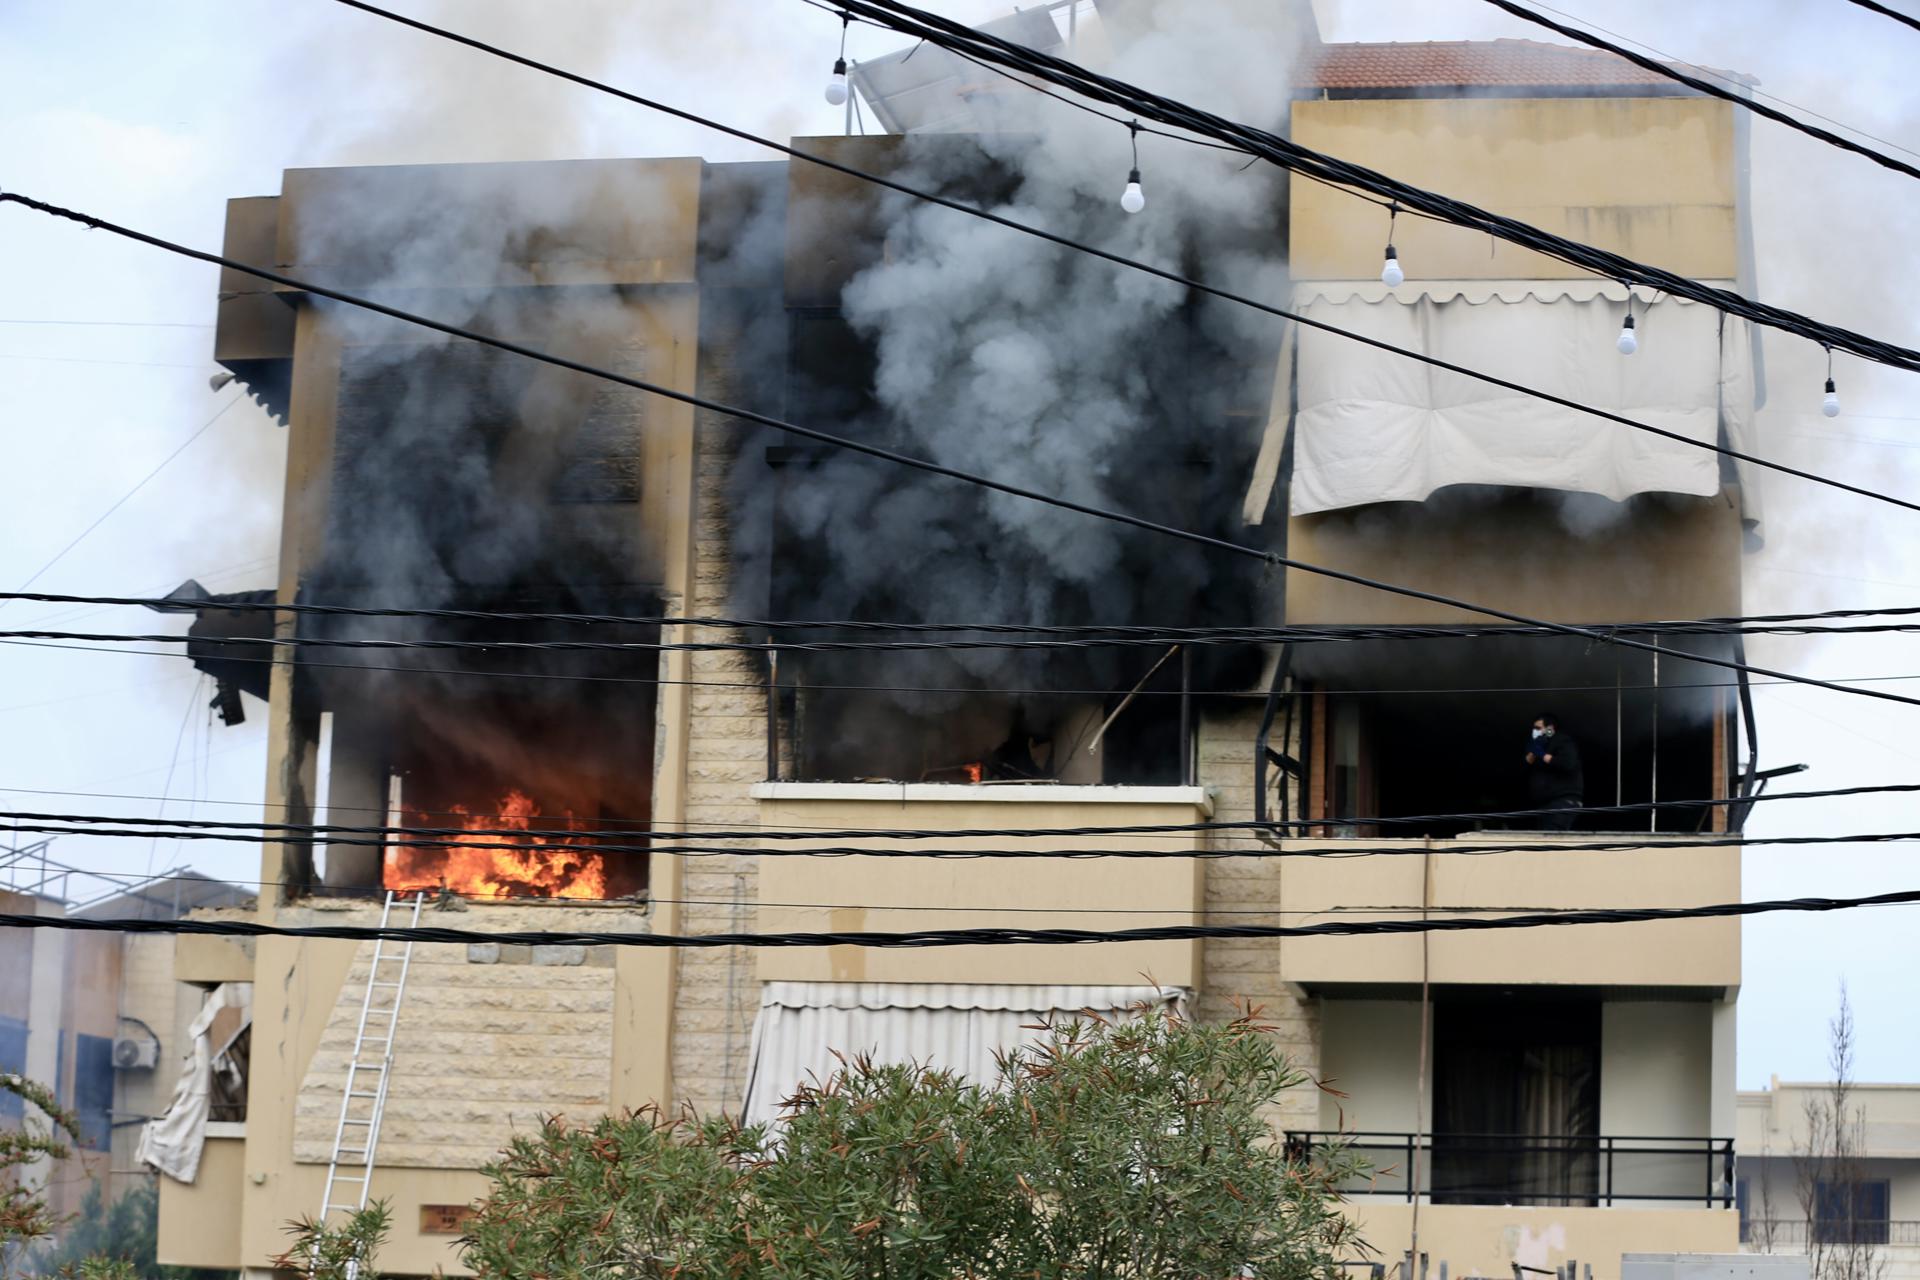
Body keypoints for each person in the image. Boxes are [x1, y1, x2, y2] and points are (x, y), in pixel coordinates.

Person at [1524, 712, 1584, 830]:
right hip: (1544, 804)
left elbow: (1567, 763)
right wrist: (1536, 748)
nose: (1535, 731)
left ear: (1550, 728)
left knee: (1552, 837)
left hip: (1563, 801)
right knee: (1542, 838)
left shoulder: (1563, 741)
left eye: (1538, 728)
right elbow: (1527, 761)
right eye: (1533, 728)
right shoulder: (1539, 744)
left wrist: (1542, 754)